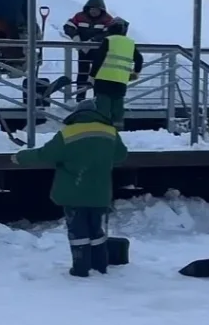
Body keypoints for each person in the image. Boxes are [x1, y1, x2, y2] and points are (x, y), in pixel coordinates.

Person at [12, 99, 128, 277]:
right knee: (96, 229)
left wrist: (20, 157)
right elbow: (121, 155)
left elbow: (45, 154)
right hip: (100, 191)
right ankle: (100, 265)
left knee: (78, 229)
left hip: (74, 190)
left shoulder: (69, 132)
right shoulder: (110, 131)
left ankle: (81, 268)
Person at [89, 18, 143, 131]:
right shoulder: (129, 43)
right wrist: (135, 73)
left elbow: (98, 59)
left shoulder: (108, 40)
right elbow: (139, 59)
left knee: (103, 108)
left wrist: (92, 75)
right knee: (117, 108)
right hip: (121, 81)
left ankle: (102, 130)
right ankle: (117, 131)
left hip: (103, 79)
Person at [63, 0, 114, 102]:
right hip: (83, 51)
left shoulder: (107, 19)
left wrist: (93, 41)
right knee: (82, 75)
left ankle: (97, 99)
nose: (94, 12)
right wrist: (75, 37)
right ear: (88, 8)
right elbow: (68, 26)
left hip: (100, 52)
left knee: (98, 76)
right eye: (92, 9)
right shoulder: (79, 16)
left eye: (96, 10)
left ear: (101, 10)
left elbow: (110, 32)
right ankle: (79, 99)